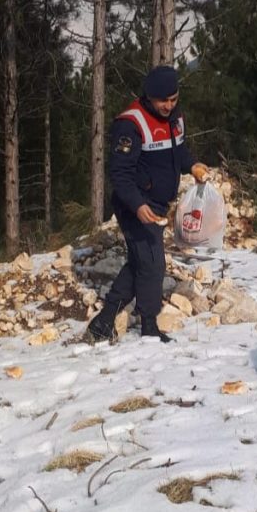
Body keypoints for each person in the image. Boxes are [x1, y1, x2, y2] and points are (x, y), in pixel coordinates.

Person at [87, 65, 209, 344]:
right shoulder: (130, 125)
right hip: (135, 206)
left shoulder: (175, 118)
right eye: (163, 101)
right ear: (149, 96)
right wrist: (138, 205)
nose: (169, 106)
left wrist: (192, 165)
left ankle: (104, 321)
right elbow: (120, 174)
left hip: (158, 204)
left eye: (174, 99)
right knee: (153, 263)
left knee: (141, 262)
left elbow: (179, 149)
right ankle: (149, 325)